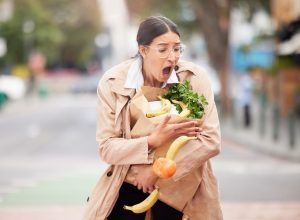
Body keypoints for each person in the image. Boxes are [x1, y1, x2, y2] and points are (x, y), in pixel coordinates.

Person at [83, 16, 223, 220]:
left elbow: (211, 140)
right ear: (143, 50)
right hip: (131, 181)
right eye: (163, 49)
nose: (172, 57)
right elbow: (107, 147)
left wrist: (156, 171)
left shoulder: (194, 79)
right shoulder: (114, 83)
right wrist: (151, 141)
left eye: (177, 48)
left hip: (184, 187)